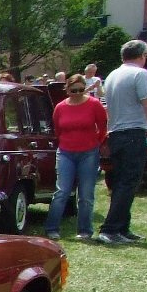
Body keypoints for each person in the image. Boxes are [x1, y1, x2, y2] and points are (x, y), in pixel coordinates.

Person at [96, 39, 147, 245]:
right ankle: (110, 229)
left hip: (117, 134)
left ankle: (122, 228)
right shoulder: (140, 74)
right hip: (132, 133)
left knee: (121, 182)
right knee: (129, 182)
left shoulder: (112, 75)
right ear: (142, 55)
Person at [42, 74, 107, 241]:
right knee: (62, 191)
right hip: (65, 152)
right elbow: (57, 129)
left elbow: (102, 127)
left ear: (85, 88)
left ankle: (85, 230)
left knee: (86, 193)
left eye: (81, 90)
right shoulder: (60, 107)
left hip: (89, 152)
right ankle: (52, 228)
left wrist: (96, 144)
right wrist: (65, 142)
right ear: (67, 89)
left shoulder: (94, 104)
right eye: (73, 90)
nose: (77, 93)